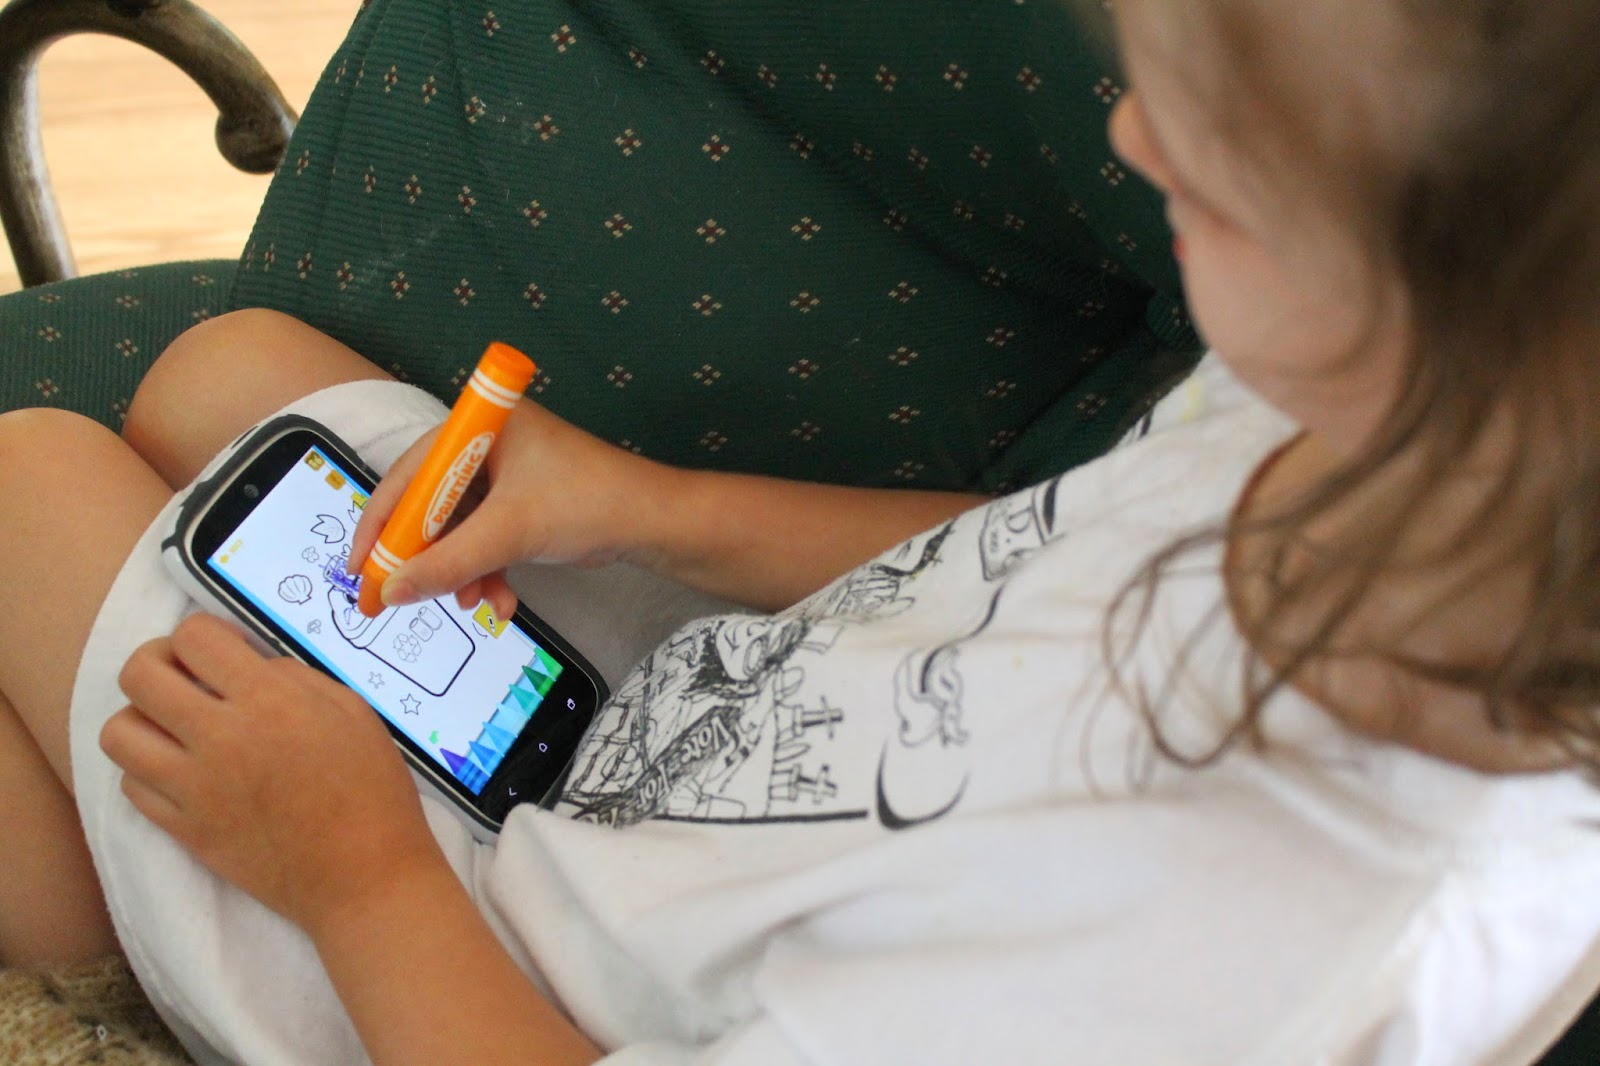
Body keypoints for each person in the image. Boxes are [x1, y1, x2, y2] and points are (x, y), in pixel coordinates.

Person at [1, 0, 1598, 1062]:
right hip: (687, 745)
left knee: (28, 484)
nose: (1136, 144)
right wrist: (643, 507)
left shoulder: (1248, 954)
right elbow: (1020, 561)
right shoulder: (1376, 418)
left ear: (1443, 294)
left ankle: (128, 961)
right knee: (229, 380)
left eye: (1230, 163)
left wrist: (356, 874)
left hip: (506, 985)